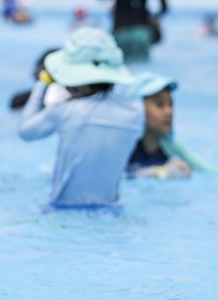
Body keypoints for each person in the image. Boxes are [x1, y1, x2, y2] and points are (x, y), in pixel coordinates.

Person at [18, 27, 142, 208]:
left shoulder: (64, 111)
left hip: (63, 209)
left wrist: (43, 82)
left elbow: (25, 131)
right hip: (111, 208)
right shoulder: (135, 113)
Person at [123, 73, 218, 179]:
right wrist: (159, 172)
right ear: (137, 109)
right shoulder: (124, 148)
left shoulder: (170, 147)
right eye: (160, 105)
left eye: (171, 104)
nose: (169, 112)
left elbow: (207, 170)